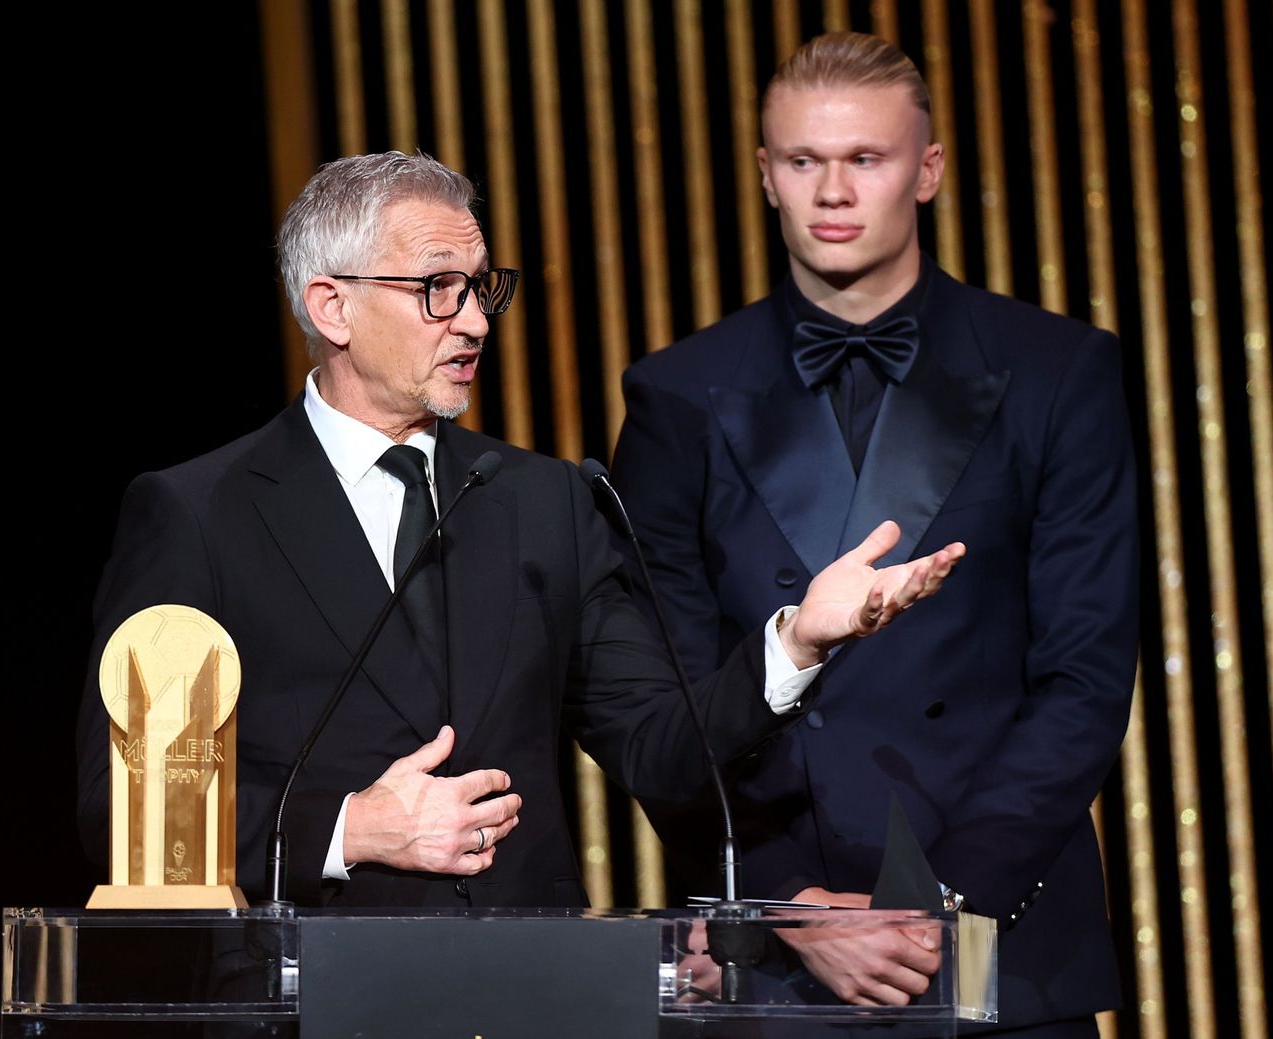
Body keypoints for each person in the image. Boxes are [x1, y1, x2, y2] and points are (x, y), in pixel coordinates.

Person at [75, 150, 963, 909]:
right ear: (332, 306)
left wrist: (797, 641)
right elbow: (125, 808)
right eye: (435, 289)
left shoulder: (548, 500)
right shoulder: (199, 513)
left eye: (479, 288)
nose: (472, 320)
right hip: (307, 997)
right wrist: (351, 826)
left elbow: (662, 747)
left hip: (528, 992)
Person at [611, 33, 1137, 1036]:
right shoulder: (675, 394)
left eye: (866, 159)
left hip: (1000, 934)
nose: (833, 191)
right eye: (804, 161)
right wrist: (785, 903)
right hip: (772, 948)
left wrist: (937, 908)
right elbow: (664, 695)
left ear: (927, 170)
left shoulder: (1057, 371)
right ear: (766, 177)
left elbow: (1084, 674)